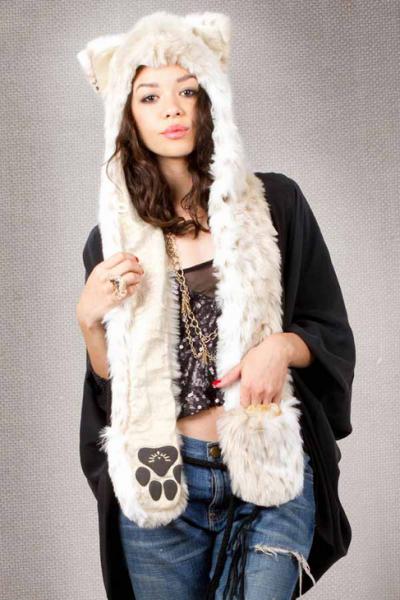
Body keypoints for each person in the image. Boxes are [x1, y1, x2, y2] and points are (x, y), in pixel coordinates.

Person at [76, 11, 356, 600]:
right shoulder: (111, 243)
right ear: (128, 115)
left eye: (187, 90)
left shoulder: (276, 204)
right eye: (150, 97)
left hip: (267, 464)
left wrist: (280, 347)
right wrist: (89, 322)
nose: (172, 110)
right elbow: (114, 386)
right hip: (164, 477)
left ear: (210, 101)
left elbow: (329, 328)